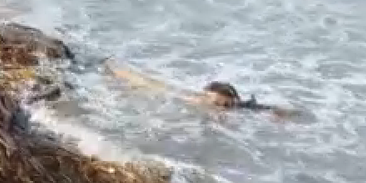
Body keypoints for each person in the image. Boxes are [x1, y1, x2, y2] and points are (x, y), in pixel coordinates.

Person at [104, 61, 299, 118]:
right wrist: (120, 73)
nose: (221, 109)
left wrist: (279, 114)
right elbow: (153, 85)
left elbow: (273, 109)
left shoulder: (240, 108)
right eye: (218, 104)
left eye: (226, 105)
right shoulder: (194, 98)